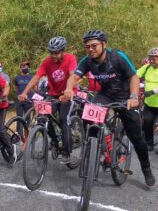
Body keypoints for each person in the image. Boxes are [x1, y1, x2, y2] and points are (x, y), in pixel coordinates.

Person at [63, 29, 155, 187]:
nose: (90, 49)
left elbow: (133, 77)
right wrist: (69, 88)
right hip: (105, 95)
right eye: (87, 47)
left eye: (94, 45)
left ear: (104, 44)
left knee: (136, 137)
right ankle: (97, 146)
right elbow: (75, 76)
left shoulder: (118, 57)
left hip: (126, 97)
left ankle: (146, 169)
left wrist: (133, 97)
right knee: (89, 116)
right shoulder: (87, 61)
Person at [18, 36, 77, 164]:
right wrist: (24, 92)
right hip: (53, 94)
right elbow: (36, 77)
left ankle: (67, 153)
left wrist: (68, 90)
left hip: (68, 93)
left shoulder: (70, 58)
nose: (54, 55)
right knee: (42, 116)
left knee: (63, 119)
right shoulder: (46, 62)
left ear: (63, 50)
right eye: (51, 52)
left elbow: (73, 75)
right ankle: (55, 142)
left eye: (56, 53)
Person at [137, 47, 158, 151]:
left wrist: (152, 92)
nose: (151, 60)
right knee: (147, 122)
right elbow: (135, 76)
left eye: (154, 58)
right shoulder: (146, 67)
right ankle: (149, 143)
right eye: (150, 58)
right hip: (149, 103)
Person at [14, 61, 34, 137]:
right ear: (20, 68)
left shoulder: (32, 77)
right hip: (19, 100)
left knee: (28, 117)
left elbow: (35, 88)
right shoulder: (17, 78)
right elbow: (16, 88)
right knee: (19, 117)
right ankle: (18, 134)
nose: (25, 67)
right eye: (23, 66)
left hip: (29, 100)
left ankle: (27, 134)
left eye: (26, 66)